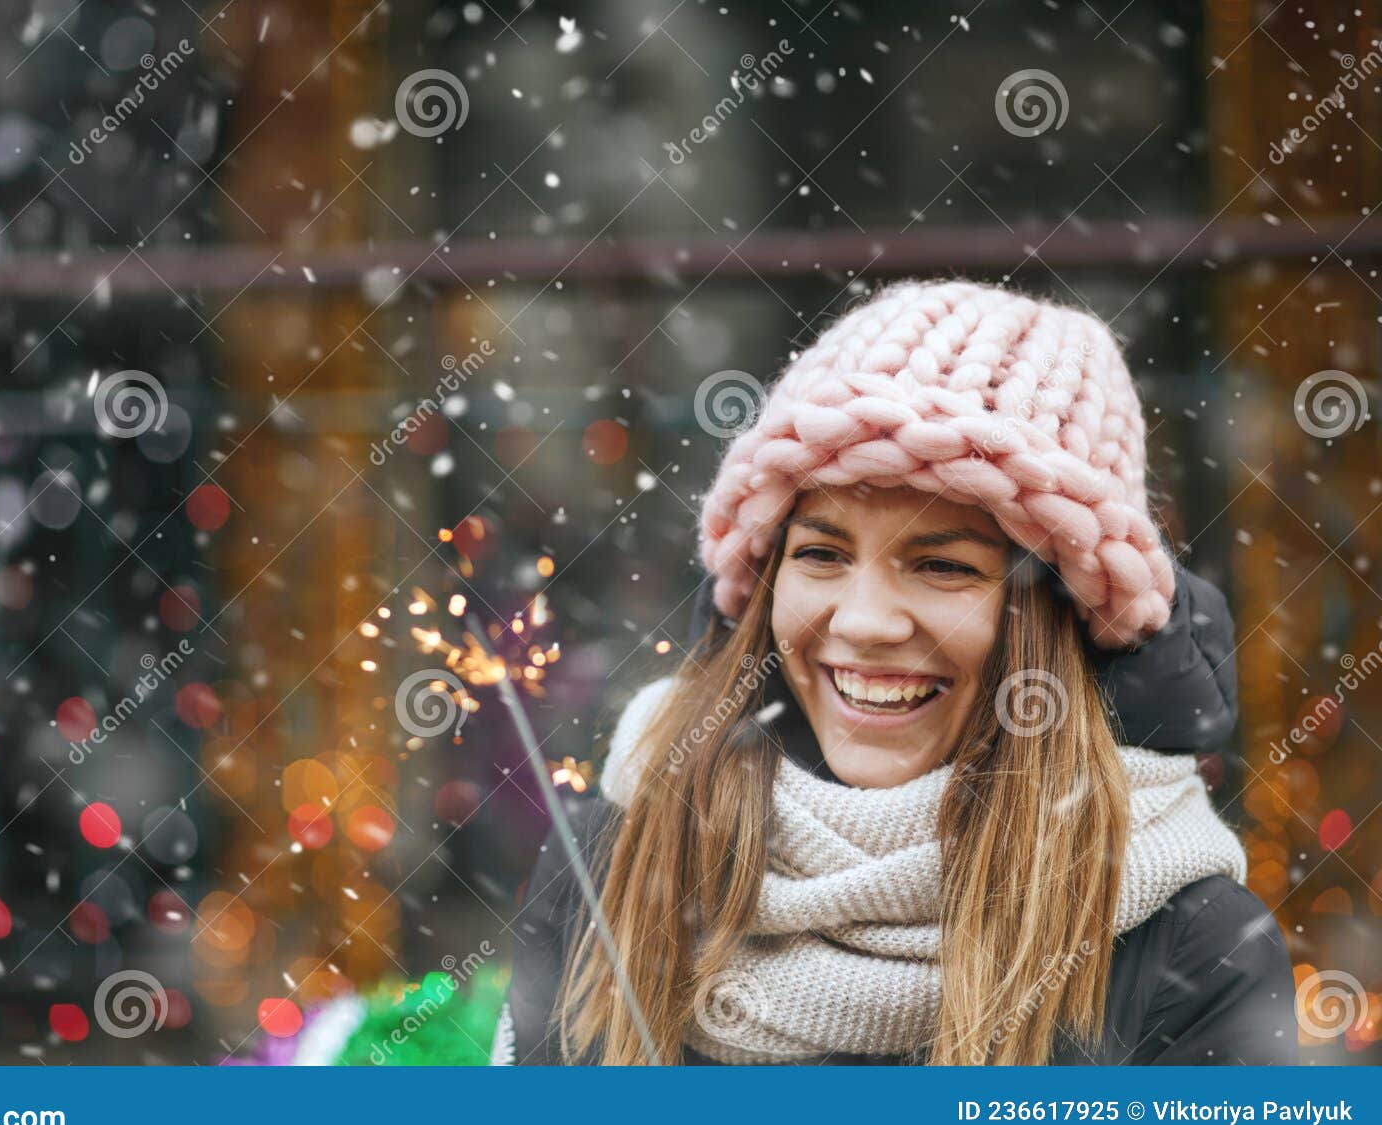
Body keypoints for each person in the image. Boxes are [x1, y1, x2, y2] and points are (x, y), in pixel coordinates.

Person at [497, 280, 1296, 1066]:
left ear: (1065, 611)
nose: (864, 622)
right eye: (820, 553)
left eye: (943, 566)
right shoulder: (619, 847)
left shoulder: (1189, 942)